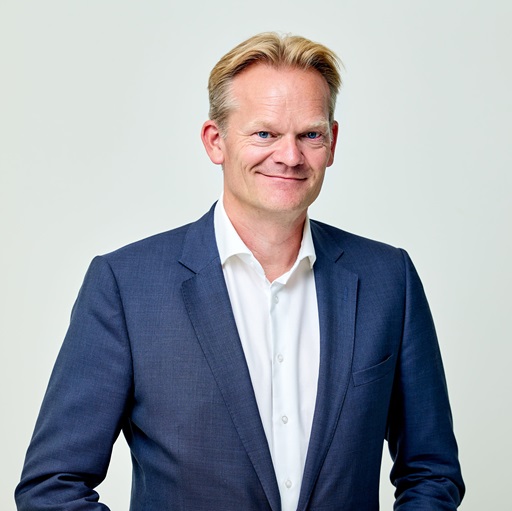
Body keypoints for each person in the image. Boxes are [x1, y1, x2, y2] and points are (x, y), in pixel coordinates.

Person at [15, 32, 464, 510]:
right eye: (264, 134)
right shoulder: (126, 287)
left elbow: (432, 473)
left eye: (310, 135)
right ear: (216, 141)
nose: (290, 156)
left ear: (332, 142)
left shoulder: (388, 280)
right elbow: (53, 486)